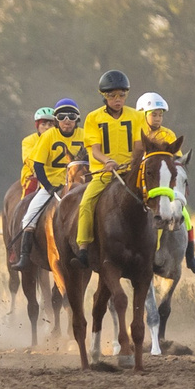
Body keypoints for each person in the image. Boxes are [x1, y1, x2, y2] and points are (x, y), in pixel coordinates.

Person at [72, 70, 147, 263]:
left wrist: (134, 161)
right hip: (104, 174)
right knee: (86, 202)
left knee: (155, 199)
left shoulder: (137, 116)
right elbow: (94, 149)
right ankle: (83, 247)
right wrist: (108, 161)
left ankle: (154, 248)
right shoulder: (93, 118)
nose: (118, 99)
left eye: (122, 95)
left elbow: (139, 146)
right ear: (104, 97)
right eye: (112, 95)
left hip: (131, 172)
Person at [134, 92, 195, 275]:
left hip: (164, 185)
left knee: (186, 217)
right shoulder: (137, 132)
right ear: (142, 114)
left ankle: (190, 257)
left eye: (160, 114)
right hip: (142, 184)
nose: (157, 118)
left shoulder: (169, 134)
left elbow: (174, 161)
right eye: (153, 114)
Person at [13, 99, 86, 269]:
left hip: (80, 185)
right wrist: (47, 185)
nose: (67, 120)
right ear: (56, 120)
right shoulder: (48, 136)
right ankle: (24, 256)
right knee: (29, 217)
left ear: (77, 119)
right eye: (62, 116)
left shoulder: (85, 135)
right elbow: (38, 165)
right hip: (52, 185)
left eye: (71, 116)